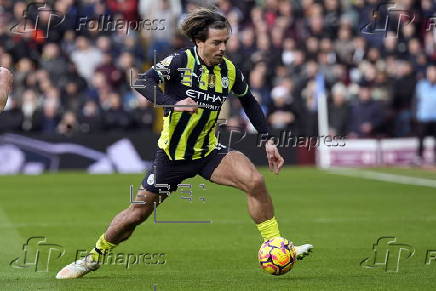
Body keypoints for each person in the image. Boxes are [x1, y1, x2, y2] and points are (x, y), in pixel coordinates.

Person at [56, 8, 312, 279]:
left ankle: (276, 245)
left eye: (225, 41)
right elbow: (143, 82)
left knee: (255, 182)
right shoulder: (179, 62)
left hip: (208, 151)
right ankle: (93, 257)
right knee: (136, 215)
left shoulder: (229, 70)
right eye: (216, 42)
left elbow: (248, 101)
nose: (222, 47)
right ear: (199, 42)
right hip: (172, 156)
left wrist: (268, 141)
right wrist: (173, 103)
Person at [415, 63, 436, 165]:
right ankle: (419, 157)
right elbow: (415, 101)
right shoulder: (421, 85)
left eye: (434, 71)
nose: (432, 74)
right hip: (423, 117)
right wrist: (415, 114)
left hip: (435, 117)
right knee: (421, 139)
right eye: (430, 71)